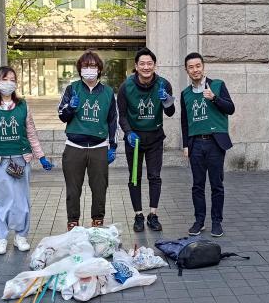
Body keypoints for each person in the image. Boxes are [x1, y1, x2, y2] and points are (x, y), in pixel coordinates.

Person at [0, 66, 54, 255]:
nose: (9, 82)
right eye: (5, 79)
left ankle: (21, 236)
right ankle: (2, 238)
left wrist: (40, 156)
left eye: (12, 79)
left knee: (21, 200)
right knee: (0, 200)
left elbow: (31, 133)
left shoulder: (23, 105)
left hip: (20, 159)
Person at [57, 50, 118, 231]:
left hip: (99, 147)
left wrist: (112, 146)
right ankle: (73, 224)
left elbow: (112, 120)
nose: (89, 69)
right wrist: (70, 108)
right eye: (85, 66)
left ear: (99, 69)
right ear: (80, 69)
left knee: (99, 189)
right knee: (73, 190)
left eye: (92, 66)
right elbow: (62, 115)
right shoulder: (72, 88)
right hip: (74, 147)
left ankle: (97, 223)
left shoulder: (108, 92)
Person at [117, 47, 175, 232]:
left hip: (155, 138)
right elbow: (122, 116)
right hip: (134, 140)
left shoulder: (164, 84)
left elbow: (170, 112)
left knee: (155, 176)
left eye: (149, 63)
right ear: (136, 66)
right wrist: (128, 133)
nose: (146, 67)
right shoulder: (126, 86)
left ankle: (153, 215)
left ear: (154, 65)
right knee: (135, 177)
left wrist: (166, 100)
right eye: (142, 63)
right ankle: (138, 215)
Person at [180, 52, 235, 237]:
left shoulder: (217, 85)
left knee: (216, 184)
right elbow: (184, 121)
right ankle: (199, 221)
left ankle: (217, 222)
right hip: (196, 144)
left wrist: (214, 98)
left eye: (198, 66)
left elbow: (230, 108)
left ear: (203, 67)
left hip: (215, 143)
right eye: (191, 67)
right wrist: (186, 145)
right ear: (186, 70)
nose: (195, 70)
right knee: (197, 185)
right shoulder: (185, 94)